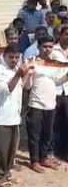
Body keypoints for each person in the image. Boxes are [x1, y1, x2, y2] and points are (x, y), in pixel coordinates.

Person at [0, 44, 33, 187]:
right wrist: (18, 75)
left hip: (14, 117)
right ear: (5, 56)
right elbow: (7, 90)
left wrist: (27, 74)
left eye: (17, 57)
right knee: (0, 150)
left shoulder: (16, 69)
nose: (14, 60)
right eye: (11, 57)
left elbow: (23, 86)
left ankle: (6, 172)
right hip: (1, 117)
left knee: (11, 150)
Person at [24, 35, 68, 173]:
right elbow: (27, 86)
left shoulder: (54, 64)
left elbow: (56, 82)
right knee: (34, 134)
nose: (47, 49)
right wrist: (29, 74)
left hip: (50, 104)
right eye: (45, 46)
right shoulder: (32, 61)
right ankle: (34, 161)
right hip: (36, 104)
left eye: (50, 47)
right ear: (38, 47)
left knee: (47, 134)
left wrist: (66, 76)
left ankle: (44, 158)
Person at [49, 25, 68, 161]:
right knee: (54, 122)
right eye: (66, 34)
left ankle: (64, 152)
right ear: (60, 35)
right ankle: (52, 151)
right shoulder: (52, 50)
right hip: (55, 90)